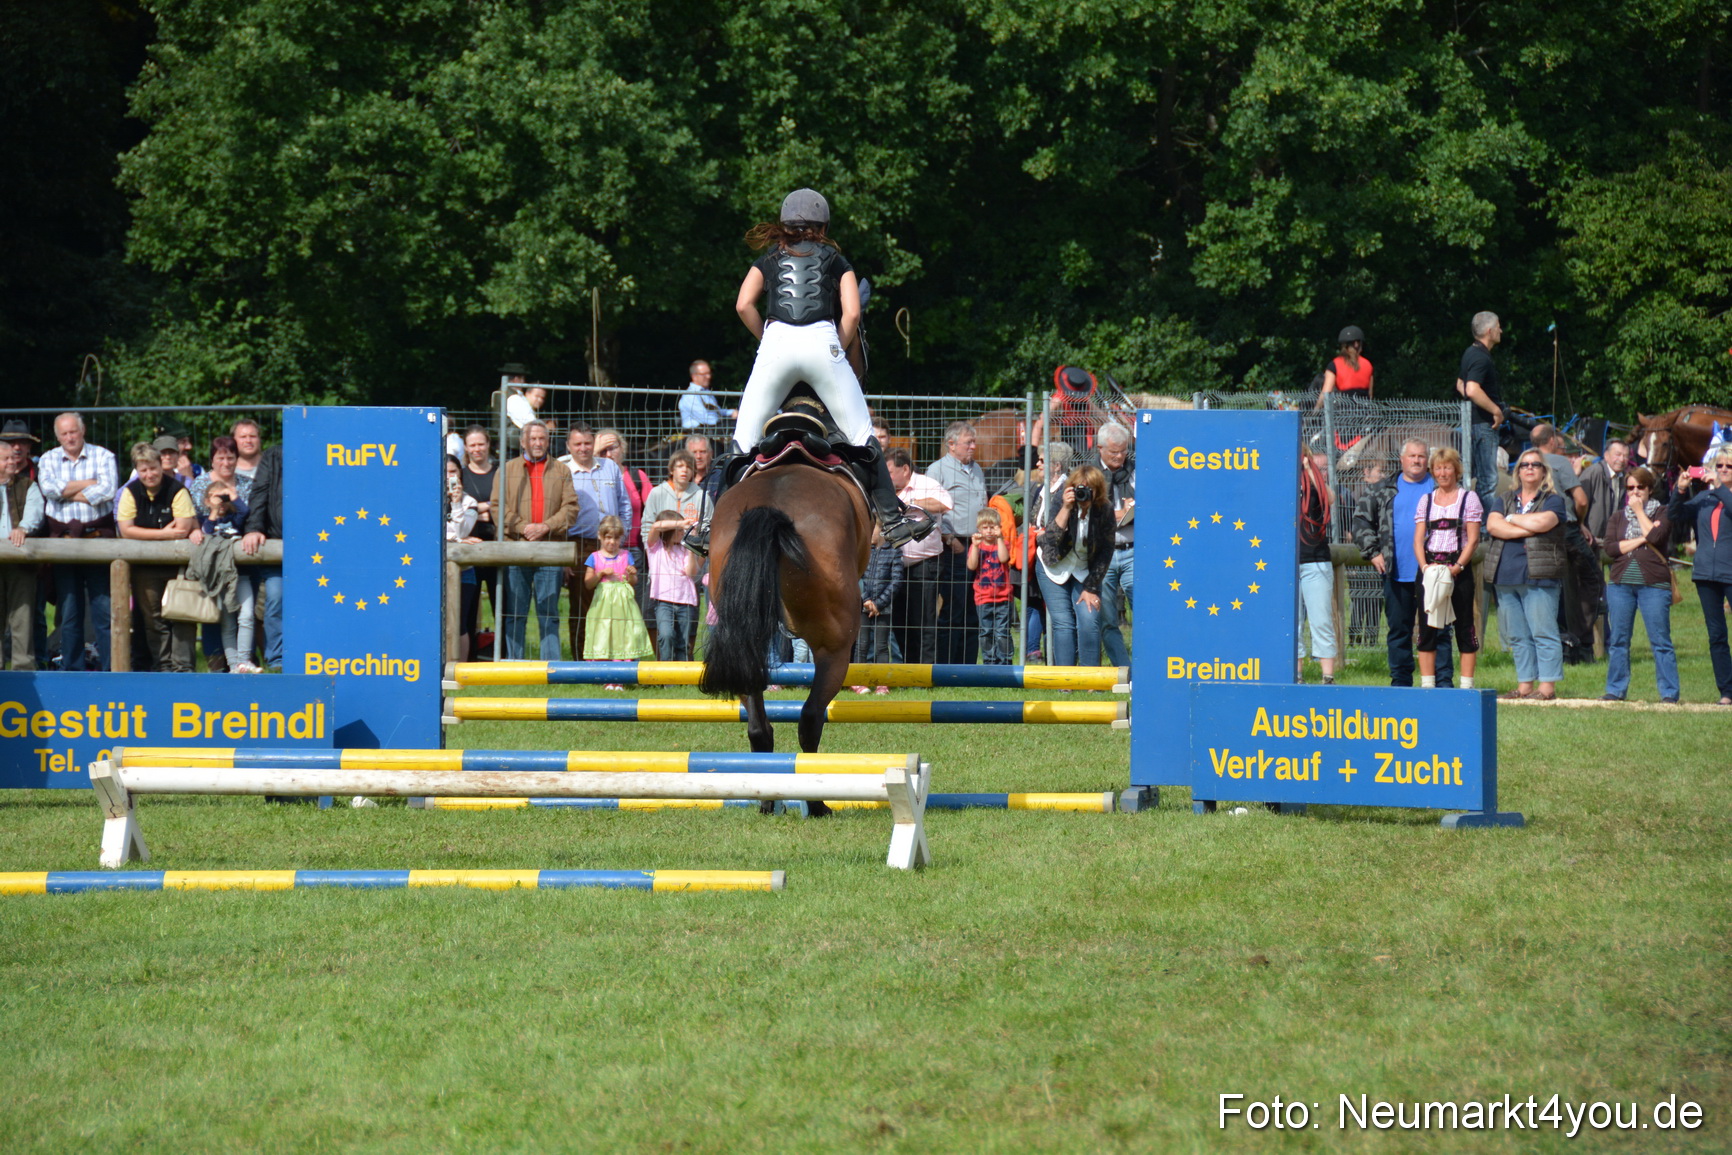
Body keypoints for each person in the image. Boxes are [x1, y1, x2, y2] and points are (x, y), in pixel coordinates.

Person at [687, 188, 925, 554]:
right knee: (863, 436)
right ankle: (893, 521)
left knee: (741, 441)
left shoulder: (768, 258)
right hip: (822, 343)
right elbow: (853, 313)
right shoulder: (836, 259)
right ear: (823, 224)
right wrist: (837, 349)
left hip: (775, 346)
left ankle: (706, 525)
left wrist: (766, 336)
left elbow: (742, 304)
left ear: (784, 224)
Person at [1352, 438, 1454, 687]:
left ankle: (1442, 682)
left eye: (1421, 457)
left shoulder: (1439, 487)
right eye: (1412, 456)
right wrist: (1373, 552)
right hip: (1396, 572)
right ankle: (1400, 682)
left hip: (1434, 572)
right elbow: (1360, 521)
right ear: (1402, 459)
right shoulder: (1383, 489)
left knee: (1438, 630)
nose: (1417, 461)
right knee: (1399, 631)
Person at [1485, 448, 1568, 700]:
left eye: (1535, 464)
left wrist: (1511, 520)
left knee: (1543, 631)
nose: (1529, 468)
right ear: (1518, 471)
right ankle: (1524, 686)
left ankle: (1546, 687)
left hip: (1539, 573)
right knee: (1517, 635)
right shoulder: (1505, 498)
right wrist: (1526, 525)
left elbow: (1544, 523)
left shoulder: (1553, 500)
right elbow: (1492, 526)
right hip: (1505, 573)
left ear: (1544, 471)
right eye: (1524, 464)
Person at [38, 412, 118, 670]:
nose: (70, 437)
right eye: (64, 433)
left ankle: (110, 670)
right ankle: (72, 670)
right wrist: (88, 484)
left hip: (97, 542)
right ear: (57, 436)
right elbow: (49, 490)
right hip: (64, 544)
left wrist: (67, 491)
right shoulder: (48, 458)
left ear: (82, 431)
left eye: (73, 431)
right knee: (70, 613)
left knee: (104, 612)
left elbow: (108, 490)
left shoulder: (104, 456)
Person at [494, 420, 576, 660]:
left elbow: (571, 508)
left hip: (550, 550)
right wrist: (523, 527)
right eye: (532, 439)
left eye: (542, 438)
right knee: (516, 612)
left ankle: (551, 667)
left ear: (549, 441)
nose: (538, 443)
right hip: (516, 549)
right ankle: (514, 666)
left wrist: (546, 527)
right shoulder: (506, 470)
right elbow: (498, 508)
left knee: (549, 611)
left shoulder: (562, 471)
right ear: (522, 442)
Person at [1600, 466, 1678, 703]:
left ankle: (1669, 693)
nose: (1635, 492)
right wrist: (1644, 537)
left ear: (1650, 489)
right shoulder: (1617, 516)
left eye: (1640, 487)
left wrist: (1639, 512)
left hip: (1653, 584)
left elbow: (1657, 538)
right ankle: (1615, 689)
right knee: (1619, 640)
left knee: (1660, 640)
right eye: (1630, 488)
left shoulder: (1663, 512)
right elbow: (1611, 548)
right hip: (1620, 584)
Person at [117, 442, 198, 673]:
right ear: (137, 470)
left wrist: (146, 534)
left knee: (182, 616)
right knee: (154, 619)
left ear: (160, 466)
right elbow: (125, 530)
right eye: (143, 470)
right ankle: (163, 667)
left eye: (153, 468)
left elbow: (182, 528)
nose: (149, 474)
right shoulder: (130, 492)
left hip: (178, 566)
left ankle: (183, 668)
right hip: (145, 568)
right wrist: (164, 533)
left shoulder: (178, 490)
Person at [1413, 447, 1482, 689]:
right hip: (1430, 568)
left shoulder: (1468, 498)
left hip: (1458, 569)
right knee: (1427, 627)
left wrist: (1458, 566)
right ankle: (1428, 685)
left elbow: (1473, 539)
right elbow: (1418, 537)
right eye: (1439, 468)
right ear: (1433, 471)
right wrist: (1424, 567)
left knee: (1464, 626)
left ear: (1456, 470)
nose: (1443, 473)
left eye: (1448, 467)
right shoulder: (1426, 500)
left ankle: (1466, 686)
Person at [560, 424, 628, 660]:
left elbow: (624, 505)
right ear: (569, 446)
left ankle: (612, 656)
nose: (583, 448)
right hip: (578, 545)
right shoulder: (562, 469)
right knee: (582, 607)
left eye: (587, 443)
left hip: (611, 544)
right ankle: (582, 660)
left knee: (613, 604)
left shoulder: (610, 467)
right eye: (577, 444)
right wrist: (563, 556)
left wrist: (622, 540)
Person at [1530, 422, 1597, 664]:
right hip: (1566, 531)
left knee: (1550, 590)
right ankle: (1583, 643)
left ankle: (1556, 643)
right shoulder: (1558, 462)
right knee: (1590, 582)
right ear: (1551, 442)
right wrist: (1579, 522)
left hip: (1536, 535)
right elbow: (1580, 500)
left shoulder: (1525, 463)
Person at [1036, 464, 1115, 667]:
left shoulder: (1105, 509)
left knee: (1089, 620)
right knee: (1063, 624)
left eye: (1089, 489)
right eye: (1080, 488)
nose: (1084, 493)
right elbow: (1050, 540)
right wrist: (1066, 507)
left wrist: (1091, 588)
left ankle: (1091, 681)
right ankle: (1066, 682)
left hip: (1084, 570)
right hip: (1053, 567)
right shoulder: (1061, 500)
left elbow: (1106, 552)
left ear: (1097, 490)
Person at [1671, 445, 1732, 705]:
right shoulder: (1705, 498)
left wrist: (1719, 487)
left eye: (1729, 466)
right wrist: (1680, 489)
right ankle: (1727, 691)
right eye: (1719, 466)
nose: (1723, 470)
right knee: (1716, 635)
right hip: (1706, 573)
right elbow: (1675, 515)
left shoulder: (1720, 494)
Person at [190, 435, 251, 672]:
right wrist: (213, 511)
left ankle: (242, 661)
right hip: (215, 571)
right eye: (220, 457)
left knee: (242, 616)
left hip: (240, 569)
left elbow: (246, 514)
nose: (226, 462)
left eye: (230, 457)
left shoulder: (237, 503)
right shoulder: (201, 488)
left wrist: (232, 497)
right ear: (212, 460)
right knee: (221, 622)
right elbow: (201, 525)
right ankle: (224, 666)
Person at [929, 421, 988, 664]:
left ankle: (968, 665)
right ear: (951, 444)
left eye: (974, 442)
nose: (973, 447)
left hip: (979, 546)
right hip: (954, 546)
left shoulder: (977, 470)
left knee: (973, 607)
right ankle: (946, 665)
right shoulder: (937, 470)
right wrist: (949, 538)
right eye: (968, 443)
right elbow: (930, 510)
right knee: (953, 606)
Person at [887, 448, 951, 665]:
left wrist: (912, 501)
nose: (887, 477)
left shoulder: (927, 484)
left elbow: (945, 504)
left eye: (890, 472)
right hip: (895, 565)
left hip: (925, 564)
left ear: (905, 469)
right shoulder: (886, 489)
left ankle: (925, 671)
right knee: (900, 620)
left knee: (923, 619)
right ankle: (907, 669)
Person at [583, 515, 652, 679]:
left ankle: (624, 673)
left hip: (623, 605)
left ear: (621, 538)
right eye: (608, 538)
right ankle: (601, 673)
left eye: (615, 538)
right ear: (600, 536)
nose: (611, 542)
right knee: (603, 632)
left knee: (624, 633)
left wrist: (631, 575)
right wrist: (600, 574)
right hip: (603, 606)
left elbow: (633, 582)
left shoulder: (626, 555)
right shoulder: (594, 557)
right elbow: (588, 583)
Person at [0, 424, 45, 669]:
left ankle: (22, 671)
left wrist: (23, 528)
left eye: (12, 458)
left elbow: (35, 512)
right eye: (5, 458)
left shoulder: (28, 485)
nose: (11, 461)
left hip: (19, 560)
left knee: (22, 618)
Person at [239, 442, 285, 671]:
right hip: (278, 542)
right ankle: (276, 661)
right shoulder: (274, 454)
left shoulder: (323, 450)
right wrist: (254, 527)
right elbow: (260, 491)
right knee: (275, 597)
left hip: (318, 546)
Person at [1455, 311, 1506, 513]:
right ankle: (1486, 527)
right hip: (1485, 424)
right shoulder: (1481, 358)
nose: (1501, 330)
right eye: (1498, 326)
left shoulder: (1470, 352)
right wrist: (1496, 411)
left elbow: (1460, 383)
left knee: (1471, 474)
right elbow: (1471, 389)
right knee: (1488, 479)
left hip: (1472, 422)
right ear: (1489, 330)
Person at [1093, 422, 1134, 667]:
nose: (1120, 456)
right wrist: (1118, 514)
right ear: (1100, 449)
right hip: (1103, 554)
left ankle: (1147, 668)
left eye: (1123, 451)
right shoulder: (1089, 475)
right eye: (1113, 452)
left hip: (1133, 551)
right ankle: (1124, 670)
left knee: (1143, 615)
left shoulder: (1138, 471)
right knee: (1107, 618)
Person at [1298, 452, 1338, 683]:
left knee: (1321, 618)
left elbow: (1330, 498)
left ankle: (1328, 676)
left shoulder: (1314, 481)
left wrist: (1310, 470)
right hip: (1288, 562)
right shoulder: (1279, 479)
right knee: (1292, 622)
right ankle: (1297, 674)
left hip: (1315, 559)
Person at [459, 425, 499, 649]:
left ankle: (502, 654)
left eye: (481, 444)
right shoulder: (461, 474)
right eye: (472, 445)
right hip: (469, 549)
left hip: (497, 548)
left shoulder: (499, 472)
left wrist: (474, 510)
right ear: (466, 447)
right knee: (470, 606)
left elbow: (503, 507)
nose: (477, 449)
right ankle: (471, 654)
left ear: (488, 444)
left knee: (500, 604)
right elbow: (458, 511)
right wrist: (486, 509)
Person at [644, 511, 698, 662]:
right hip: (663, 601)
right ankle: (667, 677)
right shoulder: (655, 547)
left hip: (685, 600)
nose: (682, 533)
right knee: (666, 635)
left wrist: (691, 549)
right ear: (669, 531)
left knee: (683, 641)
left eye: (683, 530)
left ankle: (682, 678)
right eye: (679, 531)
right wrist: (681, 523)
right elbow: (656, 526)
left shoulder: (684, 549)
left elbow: (690, 572)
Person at [852, 525, 901, 682]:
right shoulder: (864, 551)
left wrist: (879, 604)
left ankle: (882, 682)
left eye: (871, 528)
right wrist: (866, 600)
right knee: (861, 644)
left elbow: (896, 580)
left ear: (882, 531)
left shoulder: (894, 551)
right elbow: (857, 575)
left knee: (881, 645)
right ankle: (858, 681)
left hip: (883, 608)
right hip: (863, 606)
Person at [969, 508, 1013, 665]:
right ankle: (989, 661)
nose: (988, 531)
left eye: (992, 527)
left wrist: (1000, 538)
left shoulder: (1004, 544)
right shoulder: (977, 546)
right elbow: (972, 565)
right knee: (986, 632)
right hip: (983, 597)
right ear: (979, 529)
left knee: (1002, 632)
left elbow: (1003, 558)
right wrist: (974, 546)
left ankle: (1005, 661)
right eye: (985, 527)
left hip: (1003, 597)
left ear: (999, 527)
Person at [1314, 325, 1373, 407]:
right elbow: (1370, 394)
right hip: (1363, 411)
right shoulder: (1368, 364)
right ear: (1357, 344)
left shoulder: (1335, 364)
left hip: (1344, 412)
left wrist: (1315, 411)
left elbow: (1326, 392)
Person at [679, 360, 735, 429]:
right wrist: (726, 422)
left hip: (712, 430)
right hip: (697, 433)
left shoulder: (706, 392)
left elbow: (717, 411)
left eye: (709, 373)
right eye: (704, 374)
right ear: (694, 376)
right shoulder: (690, 395)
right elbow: (707, 419)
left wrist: (732, 412)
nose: (708, 377)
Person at [231, 419, 264, 485]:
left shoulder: (272, 467)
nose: (248, 441)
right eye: (243, 437)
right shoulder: (227, 470)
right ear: (233, 440)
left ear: (259, 439)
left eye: (252, 436)